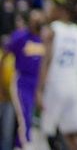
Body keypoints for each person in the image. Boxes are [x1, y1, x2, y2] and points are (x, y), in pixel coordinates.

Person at [36, 0, 77, 150]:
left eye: (51, 7)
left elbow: (46, 60)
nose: (48, 10)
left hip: (55, 85)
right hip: (74, 86)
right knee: (73, 136)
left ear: (61, 10)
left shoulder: (51, 30)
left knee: (42, 134)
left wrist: (39, 89)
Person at [4, 10, 44, 148]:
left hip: (39, 84)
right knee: (25, 117)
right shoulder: (21, 36)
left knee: (37, 121)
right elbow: (5, 52)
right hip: (22, 81)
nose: (37, 21)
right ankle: (23, 146)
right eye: (34, 18)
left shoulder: (45, 38)